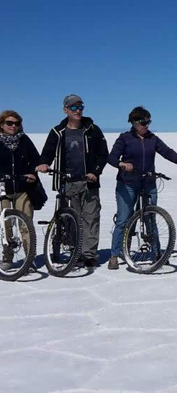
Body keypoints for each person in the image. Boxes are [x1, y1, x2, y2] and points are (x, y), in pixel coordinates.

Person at [106, 106, 177, 270]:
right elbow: (112, 157)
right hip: (127, 183)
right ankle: (115, 255)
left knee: (150, 218)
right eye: (144, 122)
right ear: (134, 123)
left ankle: (157, 254)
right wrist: (122, 164)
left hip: (148, 182)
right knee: (124, 219)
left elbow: (166, 151)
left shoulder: (152, 139)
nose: (147, 125)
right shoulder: (125, 138)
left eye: (149, 122)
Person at [37, 95, 109, 269]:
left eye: (81, 107)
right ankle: (75, 251)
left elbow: (103, 154)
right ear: (66, 110)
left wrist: (96, 171)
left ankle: (89, 255)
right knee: (72, 219)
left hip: (89, 181)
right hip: (67, 181)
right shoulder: (57, 132)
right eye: (74, 107)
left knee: (91, 218)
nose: (78, 110)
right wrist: (44, 163)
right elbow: (48, 152)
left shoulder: (93, 129)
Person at [0, 110, 40, 271]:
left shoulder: (24, 140)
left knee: (26, 224)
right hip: (3, 189)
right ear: (2, 125)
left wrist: (33, 173)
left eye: (16, 123)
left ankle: (29, 258)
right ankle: (7, 257)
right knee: (6, 225)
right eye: (9, 123)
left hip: (23, 188)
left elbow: (35, 159)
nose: (13, 126)